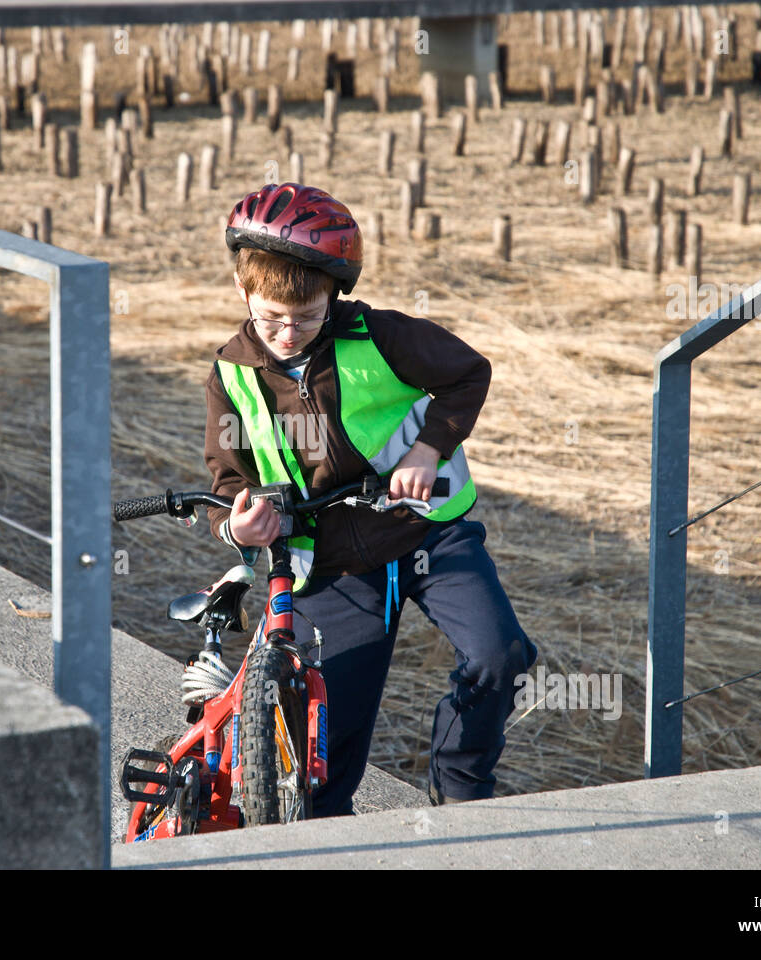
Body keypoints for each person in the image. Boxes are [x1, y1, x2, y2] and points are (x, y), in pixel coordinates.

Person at [203, 181, 538, 815]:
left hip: (426, 532)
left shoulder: (379, 337)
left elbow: (469, 373)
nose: (289, 332)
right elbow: (226, 480)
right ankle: (330, 838)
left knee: (502, 654)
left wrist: (427, 450)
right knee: (329, 736)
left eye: (307, 315)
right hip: (330, 567)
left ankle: (463, 793)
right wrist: (238, 523)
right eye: (272, 317)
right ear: (243, 292)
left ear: (334, 293)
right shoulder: (231, 375)